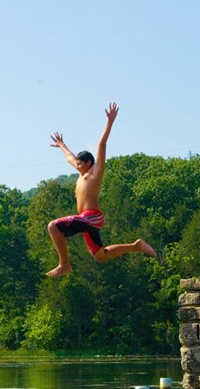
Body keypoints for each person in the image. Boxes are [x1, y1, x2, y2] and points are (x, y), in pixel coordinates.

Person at [46, 102, 157, 277]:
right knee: (100, 256)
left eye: (79, 163)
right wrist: (61, 144)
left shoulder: (95, 172)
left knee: (53, 226)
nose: (76, 165)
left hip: (92, 217)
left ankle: (64, 264)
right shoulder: (80, 175)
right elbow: (69, 157)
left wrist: (110, 122)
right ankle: (136, 246)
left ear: (88, 163)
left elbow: (102, 144)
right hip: (86, 222)